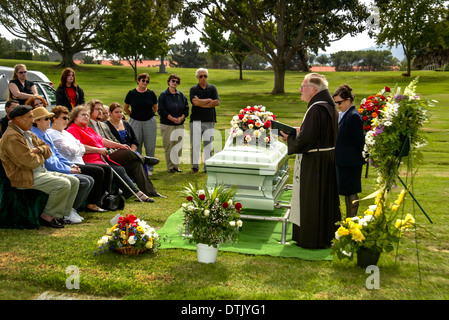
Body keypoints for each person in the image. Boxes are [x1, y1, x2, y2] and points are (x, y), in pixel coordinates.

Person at [280, 73, 341, 249]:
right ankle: (323, 236)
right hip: (326, 158)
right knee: (323, 199)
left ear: (314, 89)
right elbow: (318, 135)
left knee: (312, 200)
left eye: (302, 86)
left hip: (314, 162)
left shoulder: (315, 109)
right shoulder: (329, 107)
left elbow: (306, 141)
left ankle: (310, 239)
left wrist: (290, 139)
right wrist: (302, 131)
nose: (300, 89)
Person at [0, 105, 79, 228]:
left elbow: (47, 149)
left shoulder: (27, 132)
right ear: (18, 119)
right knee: (63, 184)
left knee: (74, 181)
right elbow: (28, 162)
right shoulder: (12, 137)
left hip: (39, 171)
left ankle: (60, 215)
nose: (32, 121)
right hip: (25, 176)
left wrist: (37, 150)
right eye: (30, 117)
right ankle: (47, 216)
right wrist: (42, 155)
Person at [67, 105, 155, 202]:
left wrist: (118, 145)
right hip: (88, 159)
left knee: (123, 167)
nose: (86, 117)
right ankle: (115, 196)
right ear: (75, 116)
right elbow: (79, 147)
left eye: (87, 115)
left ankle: (138, 193)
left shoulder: (87, 129)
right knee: (117, 165)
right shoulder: (73, 130)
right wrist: (98, 150)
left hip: (102, 157)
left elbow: (102, 140)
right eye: (83, 115)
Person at [86, 100, 164, 199]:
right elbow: (97, 142)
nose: (100, 112)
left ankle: (150, 191)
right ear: (90, 110)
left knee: (136, 164)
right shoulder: (88, 125)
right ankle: (144, 158)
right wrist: (120, 147)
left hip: (113, 153)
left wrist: (120, 146)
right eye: (97, 109)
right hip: (102, 155)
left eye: (101, 109)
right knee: (127, 152)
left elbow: (115, 140)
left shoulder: (103, 125)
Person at [48, 105, 111, 213]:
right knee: (98, 171)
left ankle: (102, 200)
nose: (66, 120)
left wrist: (78, 147)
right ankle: (91, 204)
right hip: (70, 163)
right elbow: (71, 150)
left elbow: (79, 146)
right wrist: (79, 148)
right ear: (54, 119)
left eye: (67, 118)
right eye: (64, 118)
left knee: (106, 169)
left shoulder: (65, 133)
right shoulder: (52, 134)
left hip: (78, 161)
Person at [333, 84, 365, 218]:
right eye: (335, 103)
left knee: (351, 192)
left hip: (351, 162)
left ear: (348, 100)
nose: (337, 105)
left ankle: (351, 221)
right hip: (344, 161)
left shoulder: (353, 116)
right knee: (346, 192)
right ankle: (348, 221)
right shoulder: (343, 115)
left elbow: (359, 141)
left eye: (339, 102)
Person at [124, 73, 158, 174]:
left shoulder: (151, 94)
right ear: (138, 81)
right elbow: (126, 107)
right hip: (135, 122)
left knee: (150, 145)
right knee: (136, 144)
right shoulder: (131, 93)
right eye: (143, 80)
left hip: (149, 122)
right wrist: (132, 116)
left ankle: (150, 168)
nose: (145, 83)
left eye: (147, 81)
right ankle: (138, 166)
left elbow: (155, 107)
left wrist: (148, 115)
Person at [189, 68, 220, 173]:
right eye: (201, 76)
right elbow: (195, 103)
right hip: (196, 121)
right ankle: (195, 166)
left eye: (205, 76)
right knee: (195, 144)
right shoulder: (193, 89)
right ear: (197, 77)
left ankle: (207, 166)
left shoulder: (212, 88)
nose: (203, 78)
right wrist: (208, 101)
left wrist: (202, 103)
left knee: (208, 145)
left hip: (209, 120)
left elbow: (216, 102)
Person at [158, 74, 189, 173]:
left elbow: (186, 109)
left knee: (178, 146)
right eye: (173, 81)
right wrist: (172, 119)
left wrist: (181, 117)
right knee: (169, 146)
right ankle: (170, 167)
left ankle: (176, 166)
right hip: (167, 125)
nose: (175, 83)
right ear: (169, 82)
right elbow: (161, 110)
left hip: (179, 124)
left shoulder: (181, 95)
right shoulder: (163, 95)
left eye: (177, 81)